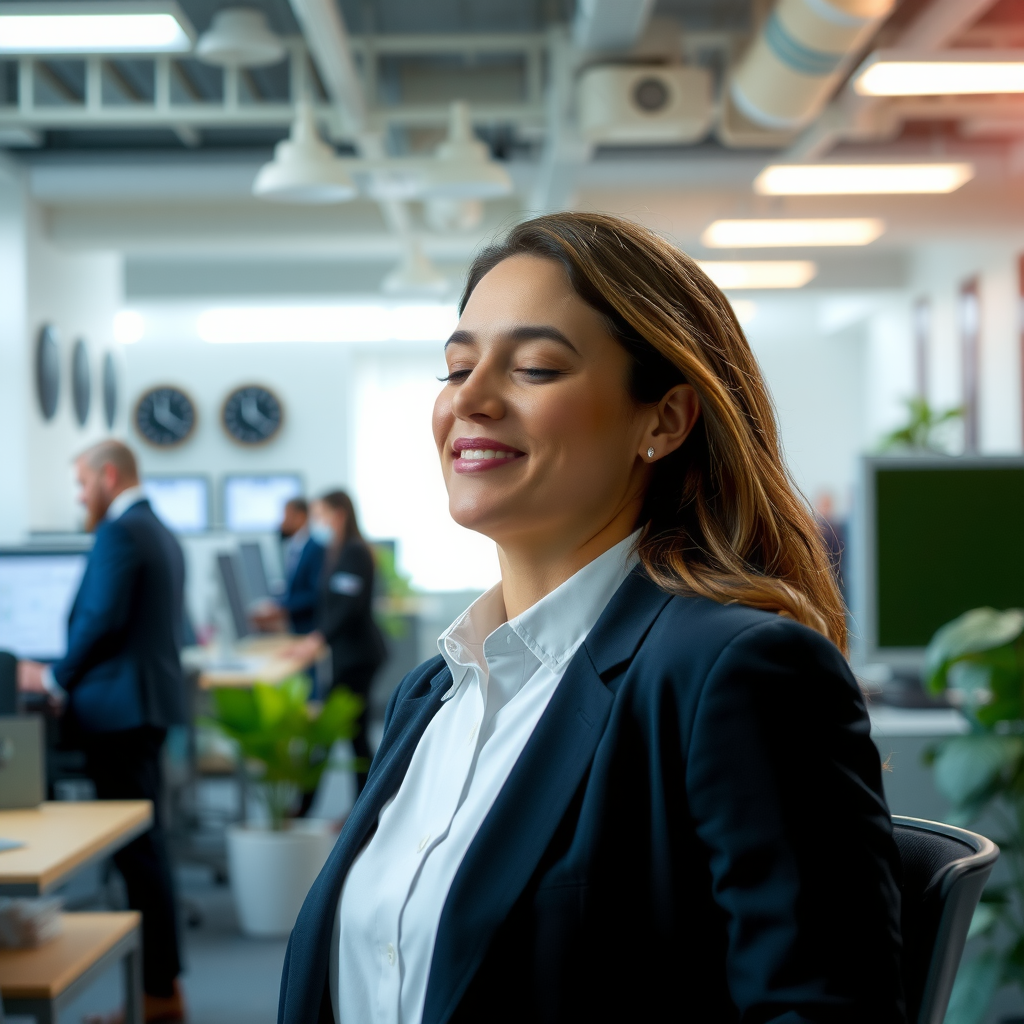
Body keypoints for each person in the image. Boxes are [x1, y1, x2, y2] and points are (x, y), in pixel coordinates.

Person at [278, 214, 905, 1024]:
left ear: (665, 421)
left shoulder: (738, 674)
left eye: (535, 367)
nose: (470, 398)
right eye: (456, 367)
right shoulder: (434, 694)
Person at [18, 440, 187, 1024]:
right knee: (146, 849)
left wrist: (54, 676)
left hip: (118, 712)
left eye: (81, 483)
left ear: (107, 476)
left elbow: (100, 618)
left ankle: (158, 994)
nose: (79, 496)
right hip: (142, 706)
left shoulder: (122, 531)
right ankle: (162, 991)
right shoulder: (156, 528)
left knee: (138, 854)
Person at [295, 491, 386, 793]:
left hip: (358, 657)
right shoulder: (338, 552)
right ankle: (364, 812)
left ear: (339, 514)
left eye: (321, 514)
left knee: (336, 732)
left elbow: (347, 606)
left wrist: (316, 639)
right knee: (354, 735)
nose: (317, 522)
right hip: (348, 656)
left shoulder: (354, 552)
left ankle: (304, 810)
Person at [251, 498, 324, 635]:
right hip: (295, 626)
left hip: (308, 628)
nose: (282, 522)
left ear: (300, 517)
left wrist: (283, 609)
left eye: (286, 516)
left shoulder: (315, 549)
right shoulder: (294, 547)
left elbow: (316, 594)